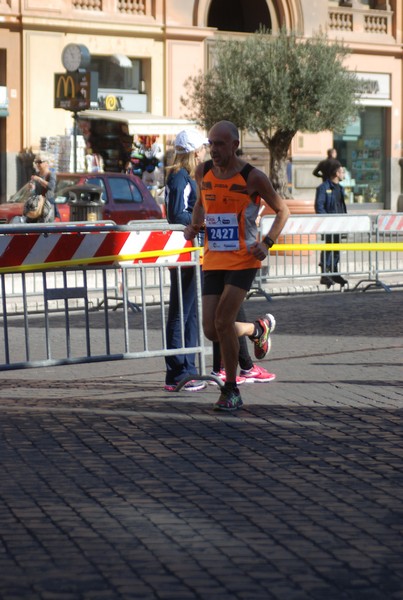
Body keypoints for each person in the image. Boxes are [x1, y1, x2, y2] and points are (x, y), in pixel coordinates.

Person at [184, 120, 289, 411]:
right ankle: (257, 329)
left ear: (234, 145)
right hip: (214, 257)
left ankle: (231, 389)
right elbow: (201, 204)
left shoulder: (252, 177)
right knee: (211, 329)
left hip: (244, 258)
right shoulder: (203, 171)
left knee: (222, 320)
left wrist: (267, 243)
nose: (213, 149)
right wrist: (194, 226)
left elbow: (283, 210)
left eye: (219, 144)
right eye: (210, 143)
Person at [164, 129, 209, 392]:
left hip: (194, 250)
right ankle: (178, 370)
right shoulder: (180, 178)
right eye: (201, 148)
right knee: (182, 311)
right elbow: (175, 214)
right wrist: (197, 223)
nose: (204, 152)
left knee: (191, 311)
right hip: (184, 249)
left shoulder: (186, 177)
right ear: (193, 152)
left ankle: (188, 367)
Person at [315, 159, 348, 288]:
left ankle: (334, 272)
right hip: (329, 224)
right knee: (328, 248)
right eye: (341, 171)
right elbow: (319, 206)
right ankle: (325, 274)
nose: (343, 173)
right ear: (335, 173)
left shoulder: (340, 188)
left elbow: (341, 206)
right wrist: (326, 221)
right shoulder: (323, 188)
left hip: (339, 223)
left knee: (336, 248)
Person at [25, 152, 57, 222]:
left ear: (47, 163)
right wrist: (31, 188)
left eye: (40, 162)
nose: (37, 164)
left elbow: (51, 187)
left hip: (47, 206)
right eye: (36, 162)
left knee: (47, 229)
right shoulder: (36, 174)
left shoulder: (51, 174)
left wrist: (39, 179)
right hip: (37, 206)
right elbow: (34, 192)